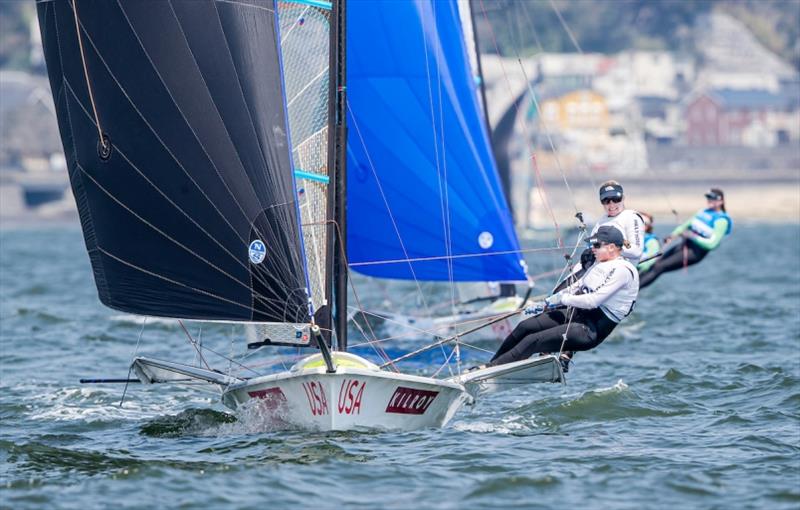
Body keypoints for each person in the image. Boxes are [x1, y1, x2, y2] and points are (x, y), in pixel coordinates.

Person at [485, 226, 639, 369]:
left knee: (533, 340)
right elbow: (577, 285)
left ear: (612, 247)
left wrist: (563, 299)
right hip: (578, 315)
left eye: (597, 245)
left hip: (591, 329)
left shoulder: (623, 271)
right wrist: (547, 302)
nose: (593, 249)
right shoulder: (601, 262)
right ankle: (491, 365)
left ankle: (492, 370)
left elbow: (593, 301)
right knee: (525, 326)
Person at [555, 181, 644, 291]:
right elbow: (592, 247)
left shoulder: (631, 217)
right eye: (606, 201)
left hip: (614, 277)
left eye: (616, 199)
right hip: (595, 270)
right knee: (558, 291)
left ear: (623, 198)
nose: (611, 205)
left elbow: (637, 252)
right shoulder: (602, 220)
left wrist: (610, 248)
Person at [639, 188, 732, 289]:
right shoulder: (703, 212)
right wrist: (672, 236)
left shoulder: (722, 220)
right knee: (654, 263)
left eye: (712, 198)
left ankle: (633, 291)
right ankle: (627, 288)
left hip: (695, 253)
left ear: (721, 201)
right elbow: (685, 226)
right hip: (684, 246)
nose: (709, 200)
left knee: (660, 267)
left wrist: (692, 236)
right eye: (708, 197)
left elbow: (712, 244)